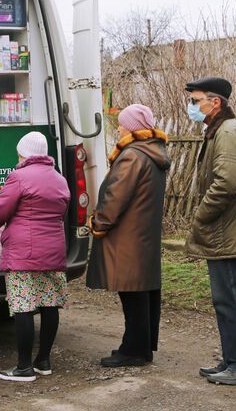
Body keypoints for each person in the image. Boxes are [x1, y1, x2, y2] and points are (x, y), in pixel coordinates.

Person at [184, 77, 236, 386]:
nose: (192, 107)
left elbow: (227, 182)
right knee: (228, 299)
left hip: (226, 229)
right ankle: (235, 359)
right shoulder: (221, 130)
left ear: (215, 103)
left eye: (196, 101)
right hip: (227, 229)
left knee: (229, 298)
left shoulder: (228, 132)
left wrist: (202, 215)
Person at [86, 104, 170, 367]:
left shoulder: (133, 156)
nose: (120, 127)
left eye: (123, 124)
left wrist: (98, 223)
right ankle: (141, 347)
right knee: (143, 292)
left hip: (127, 236)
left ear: (132, 127)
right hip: (142, 234)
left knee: (132, 294)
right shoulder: (153, 152)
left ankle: (133, 350)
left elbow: (115, 197)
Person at [0, 131, 71, 382]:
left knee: (23, 306)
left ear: (23, 152)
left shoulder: (19, 177)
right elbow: (62, 212)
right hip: (53, 249)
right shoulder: (59, 179)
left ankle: (23, 367)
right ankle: (43, 361)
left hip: (23, 252)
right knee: (48, 303)